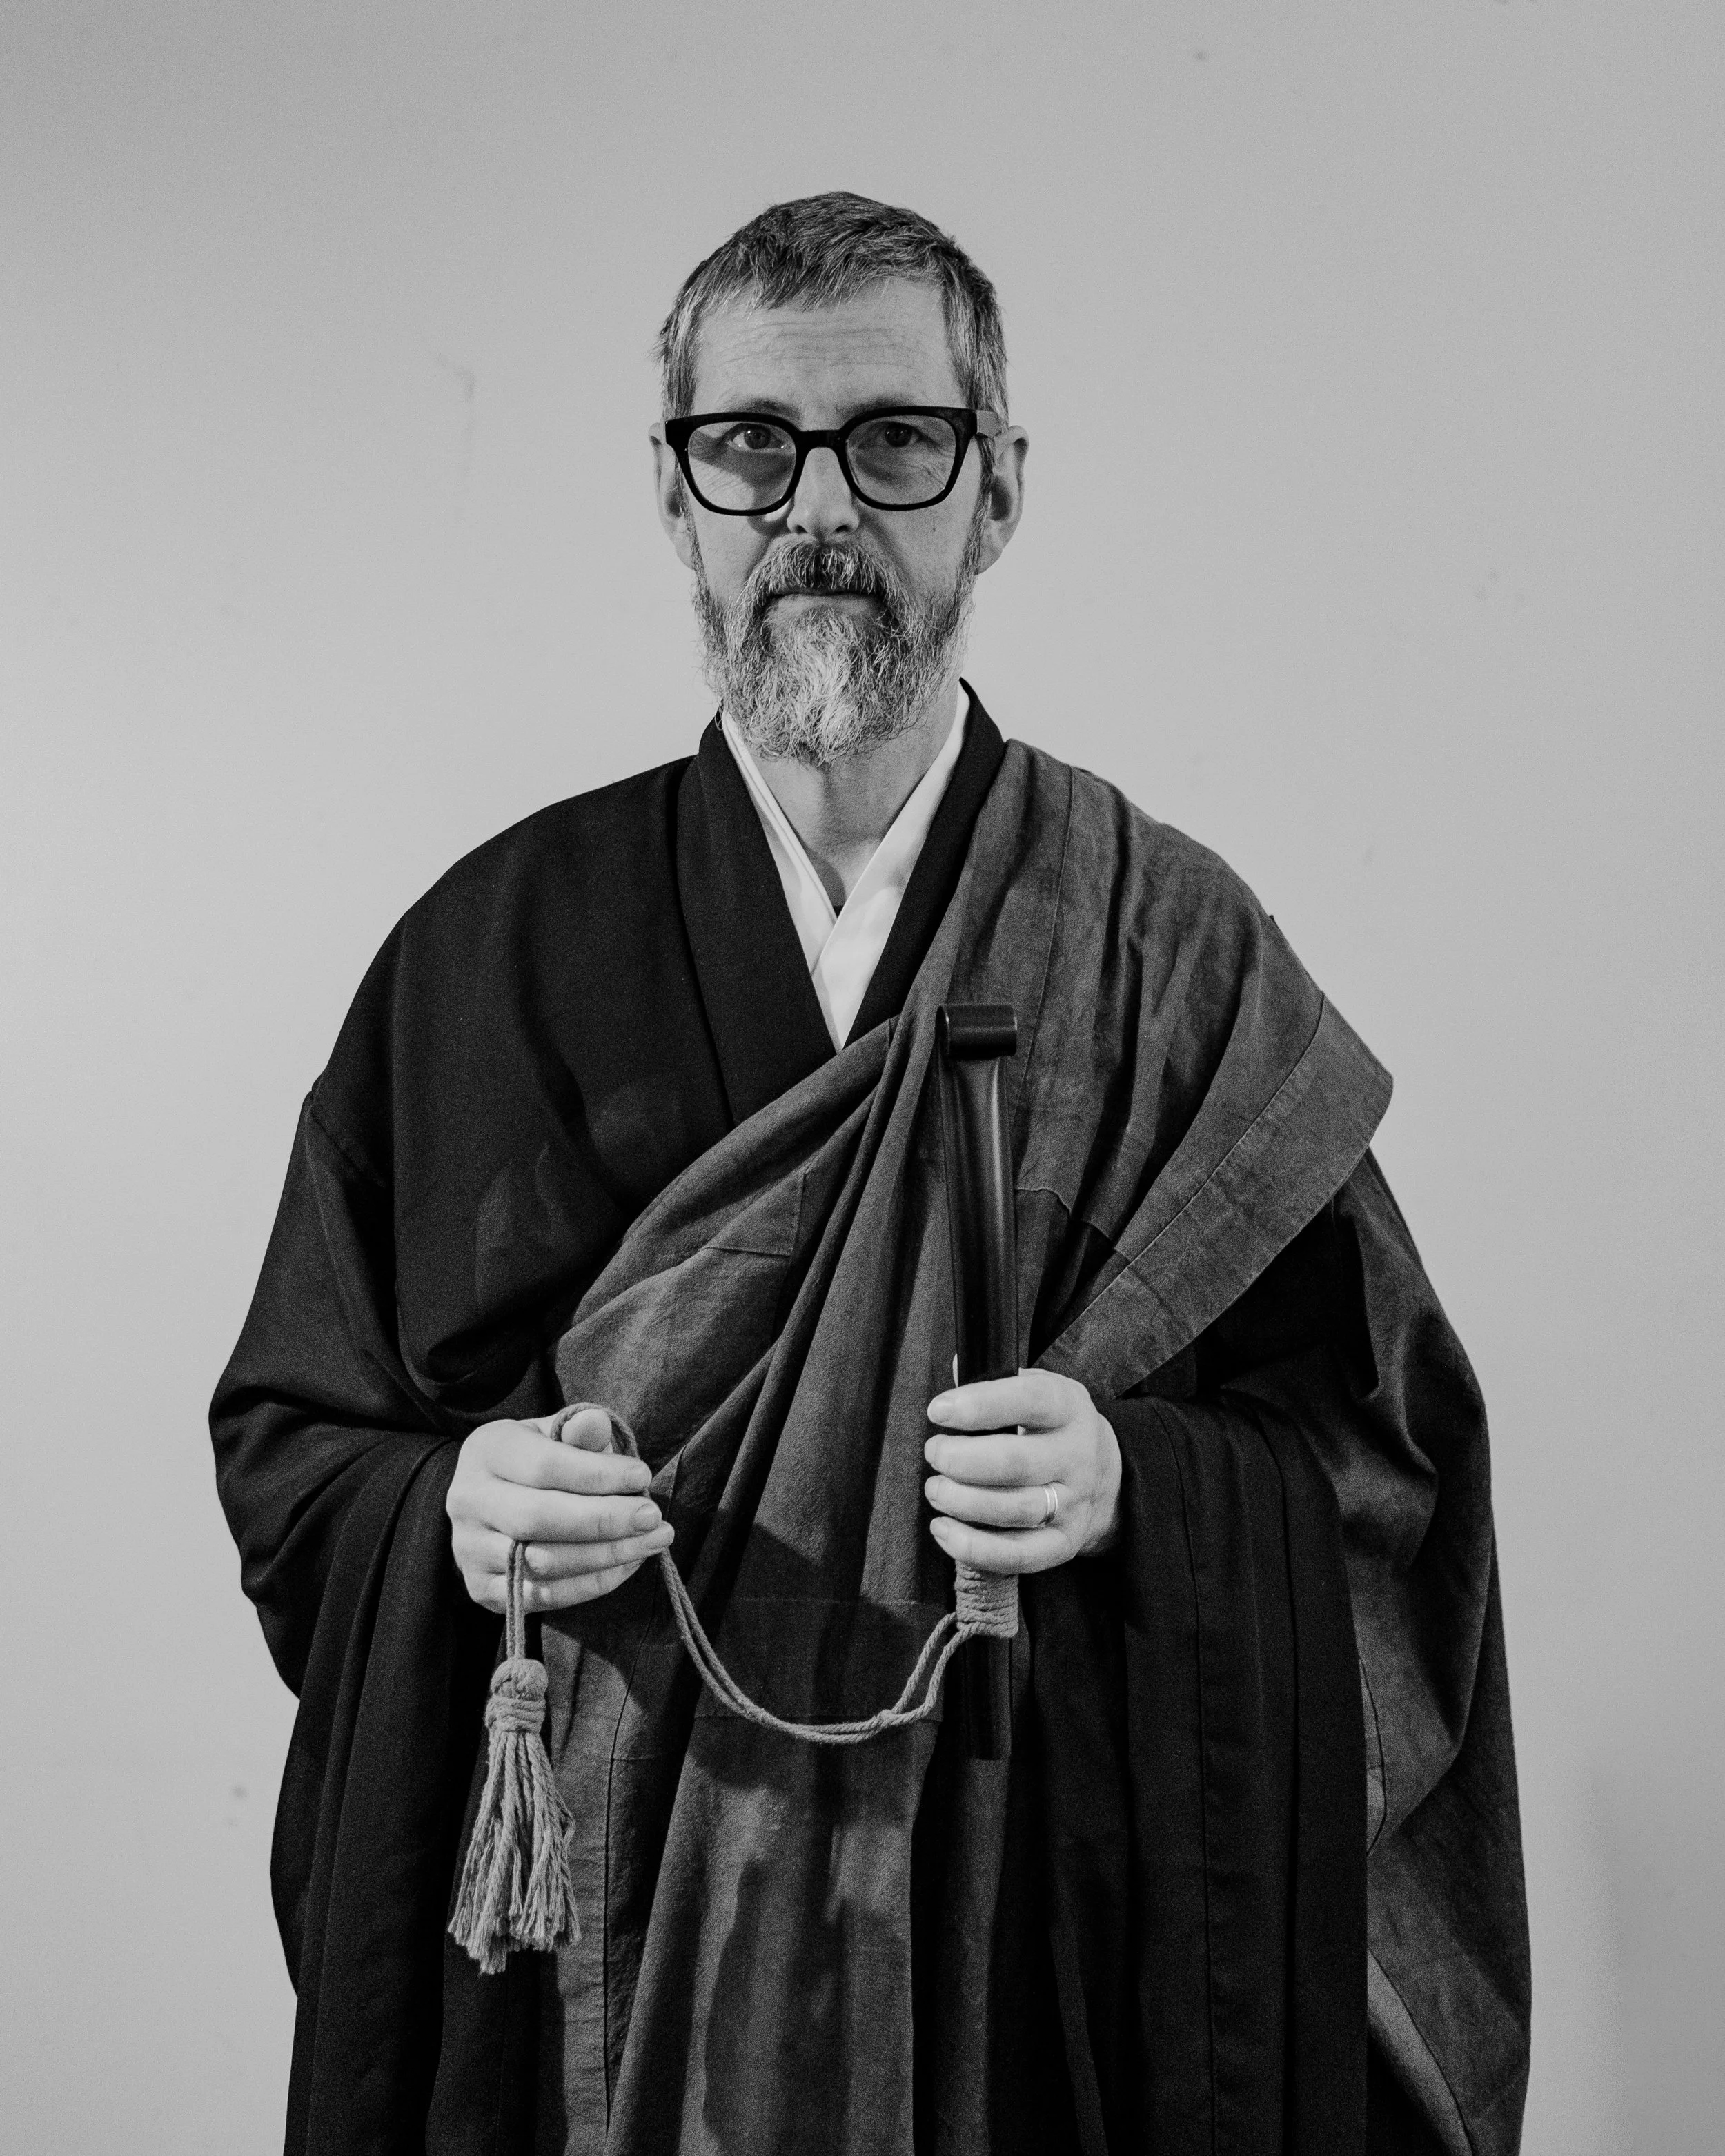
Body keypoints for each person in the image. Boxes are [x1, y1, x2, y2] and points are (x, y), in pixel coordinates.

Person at [212, 192, 1529, 2156]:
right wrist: (450, 1513)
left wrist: (1142, 1485)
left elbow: (1381, 1475)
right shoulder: (493, 952)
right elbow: (293, 1441)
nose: (817, 508)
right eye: (752, 445)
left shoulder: (1162, 952)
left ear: (996, 493)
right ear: (679, 501)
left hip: (1029, 1956)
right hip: (589, 1972)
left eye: (895, 441)